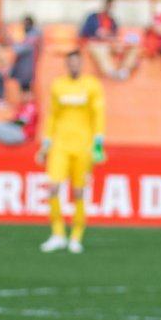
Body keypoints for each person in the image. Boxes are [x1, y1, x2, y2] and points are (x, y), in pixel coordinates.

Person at [38, 50, 105, 254]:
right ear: (67, 65)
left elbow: (98, 116)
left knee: (78, 191)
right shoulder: (59, 86)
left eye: (78, 62)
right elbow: (52, 116)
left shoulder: (92, 85)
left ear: (82, 64)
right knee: (53, 186)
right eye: (71, 63)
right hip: (61, 144)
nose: (74, 66)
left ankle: (76, 236)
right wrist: (46, 143)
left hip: (83, 145)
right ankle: (57, 233)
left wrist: (98, 145)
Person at [81, 0, 141, 80]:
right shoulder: (92, 18)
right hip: (96, 44)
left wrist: (109, 36)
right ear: (104, 5)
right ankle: (111, 72)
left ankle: (125, 70)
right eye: (108, 5)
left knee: (134, 46)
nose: (109, 7)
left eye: (111, 6)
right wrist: (97, 33)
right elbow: (84, 32)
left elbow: (115, 34)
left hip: (110, 44)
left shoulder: (112, 20)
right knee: (101, 49)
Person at [11, 15, 41, 93]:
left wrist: (14, 44)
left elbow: (20, 49)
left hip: (29, 66)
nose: (24, 25)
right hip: (23, 66)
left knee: (26, 86)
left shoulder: (33, 34)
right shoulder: (24, 34)